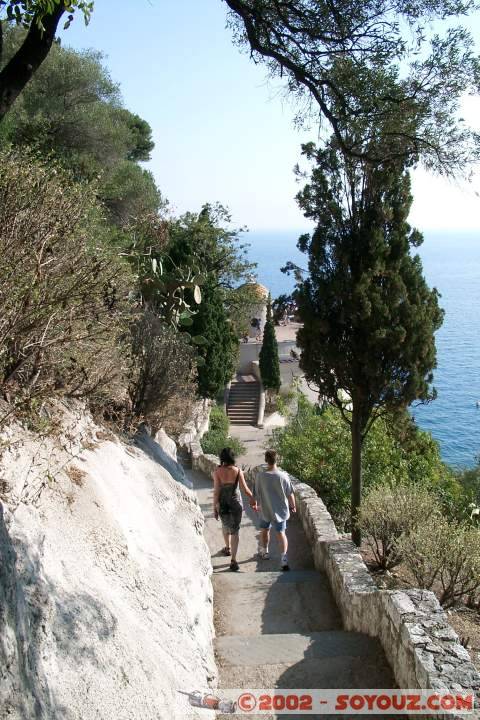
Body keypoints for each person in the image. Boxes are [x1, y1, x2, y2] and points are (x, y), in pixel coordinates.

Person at [212, 447, 257, 572]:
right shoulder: (237, 471)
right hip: (236, 505)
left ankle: (227, 547)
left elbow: (216, 492)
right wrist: (253, 499)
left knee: (225, 527)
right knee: (235, 531)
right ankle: (234, 560)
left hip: (223, 505)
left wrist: (214, 508)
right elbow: (245, 489)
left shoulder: (217, 472)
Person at [253, 449, 296, 571]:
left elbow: (255, 494)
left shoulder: (260, 476)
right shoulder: (283, 476)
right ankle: (284, 559)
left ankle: (264, 552)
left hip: (265, 510)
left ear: (266, 460)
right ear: (277, 460)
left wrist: (254, 503)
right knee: (281, 533)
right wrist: (293, 506)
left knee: (264, 530)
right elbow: (290, 494)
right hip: (280, 511)